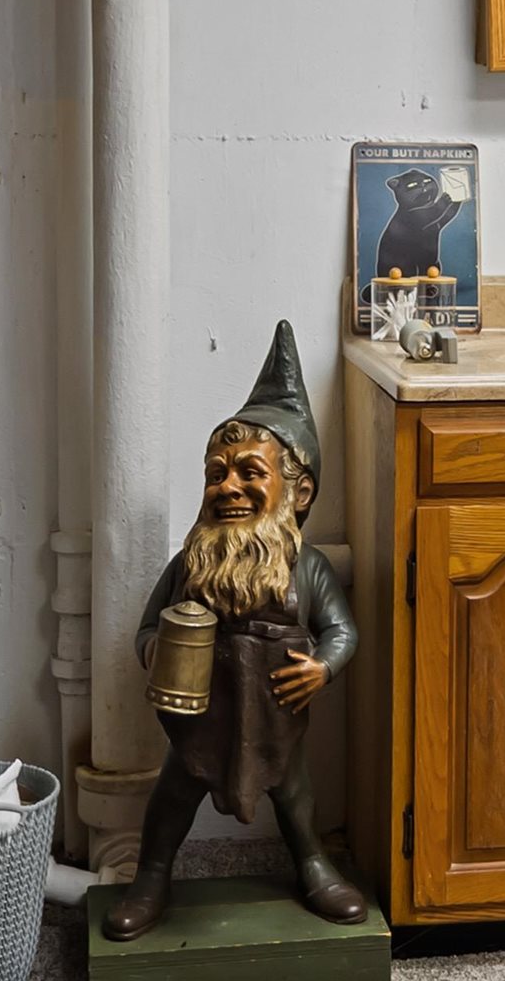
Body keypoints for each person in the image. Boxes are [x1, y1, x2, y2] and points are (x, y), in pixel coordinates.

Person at [101, 320, 366, 941]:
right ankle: (152, 876)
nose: (229, 487)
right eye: (216, 473)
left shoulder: (309, 567)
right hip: (202, 717)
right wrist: (154, 653)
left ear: (297, 492)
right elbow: (147, 625)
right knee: (173, 797)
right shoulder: (192, 562)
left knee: (294, 795)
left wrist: (323, 666)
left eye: (250, 472)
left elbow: (342, 630)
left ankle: (312, 865)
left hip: (275, 714)